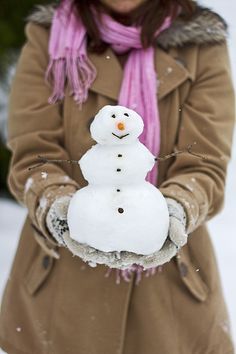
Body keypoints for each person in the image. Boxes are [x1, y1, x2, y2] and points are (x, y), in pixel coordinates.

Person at [0, 0, 235, 353]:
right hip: (59, 293)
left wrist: (175, 212)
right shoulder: (50, 39)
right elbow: (35, 156)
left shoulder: (202, 44)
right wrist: (62, 211)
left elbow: (203, 162)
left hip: (171, 298)